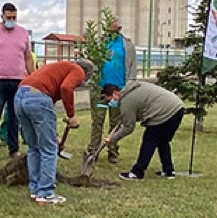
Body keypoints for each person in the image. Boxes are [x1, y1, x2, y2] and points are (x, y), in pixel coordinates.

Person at [15, 59, 92, 204]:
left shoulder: (59, 68)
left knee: (34, 147)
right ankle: (45, 193)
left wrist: (54, 135)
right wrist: (71, 116)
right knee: (49, 149)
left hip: (20, 96)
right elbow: (66, 88)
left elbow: (49, 102)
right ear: (87, 73)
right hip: (38, 98)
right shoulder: (78, 70)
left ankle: (35, 190)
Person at [0, 3, 34, 162]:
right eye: (8, 17)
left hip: (17, 81)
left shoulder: (23, 33)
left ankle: (13, 150)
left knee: (14, 117)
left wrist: (33, 76)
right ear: (2, 16)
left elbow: (28, 57)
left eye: (14, 18)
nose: (11, 20)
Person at [101, 81, 185, 180]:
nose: (110, 103)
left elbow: (128, 127)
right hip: (177, 108)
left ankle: (137, 172)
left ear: (115, 93)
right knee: (162, 141)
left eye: (109, 100)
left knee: (149, 140)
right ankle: (168, 171)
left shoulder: (126, 101)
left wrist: (112, 139)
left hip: (164, 112)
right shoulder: (131, 90)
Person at [88, 17, 137, 164]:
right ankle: (93, 150)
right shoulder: (100, 43)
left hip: (118, 90)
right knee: (97, 120)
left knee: (115, 122)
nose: (112, 33)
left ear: (119, 29)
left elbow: (132, 66)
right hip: (100, 89)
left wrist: (130, 86)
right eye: (109, 30)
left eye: (115, 30)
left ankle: (113, 150)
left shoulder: (127, 45)